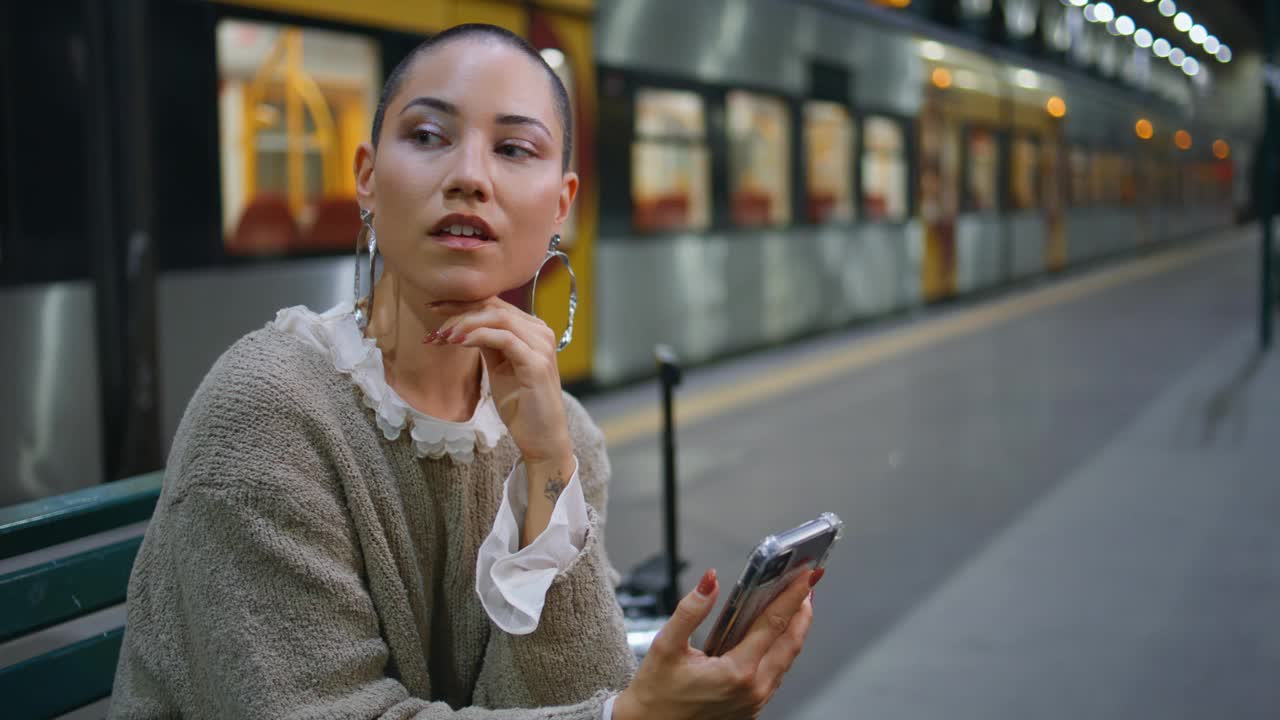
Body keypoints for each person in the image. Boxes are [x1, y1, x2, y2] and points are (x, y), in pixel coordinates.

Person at [109, 23, 818, 720]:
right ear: (366, 177)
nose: (470, 177)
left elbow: (557, 698)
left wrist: (549, 470)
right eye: (427, 136)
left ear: (561, 207)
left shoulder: (563, 432)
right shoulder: (267, 412)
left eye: (514, 149)